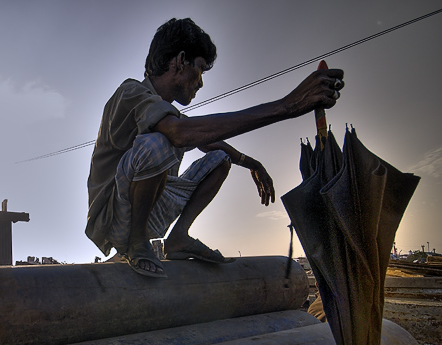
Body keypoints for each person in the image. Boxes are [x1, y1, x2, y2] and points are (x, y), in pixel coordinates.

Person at [85, 18, 344, 278]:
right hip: (114, 217)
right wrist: (287, 106)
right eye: (199, 69)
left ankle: (177, 238)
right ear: (180, 60)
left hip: (149, 209)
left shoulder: (164, 113)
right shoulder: (131, 93)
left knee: (219, 158)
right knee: (159, 143)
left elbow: (206, 140)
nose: (200, 83)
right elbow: (180, 134)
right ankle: (137, 243)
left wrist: (250, 162)